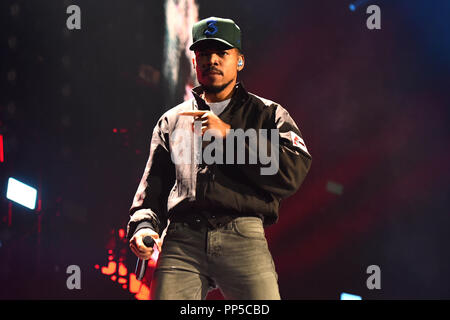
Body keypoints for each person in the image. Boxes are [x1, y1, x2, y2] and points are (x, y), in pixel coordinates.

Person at [127, 16, 312, 300]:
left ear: (239, 61)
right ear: (193, 62)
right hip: (181, 240)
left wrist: (230, 135)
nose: (211, 59)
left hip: (243, 235)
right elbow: (152, 191)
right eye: (203, 53)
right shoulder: (171, 121)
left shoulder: (268, 114)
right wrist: (143, 227)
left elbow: (293, 171)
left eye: (222, 53)